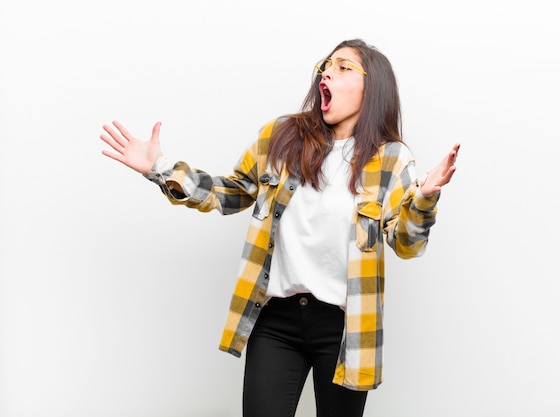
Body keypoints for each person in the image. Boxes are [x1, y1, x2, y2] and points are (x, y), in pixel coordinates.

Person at [100, 38, 460, 417]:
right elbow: (230, 193)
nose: (327, 71)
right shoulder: (281, 137)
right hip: (276, 320)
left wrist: (425, 196)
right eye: (326, 64)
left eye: (343, 67)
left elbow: (405, 243)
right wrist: (161, 168)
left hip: (345, 329)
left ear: (373, 88)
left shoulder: (392, 158)